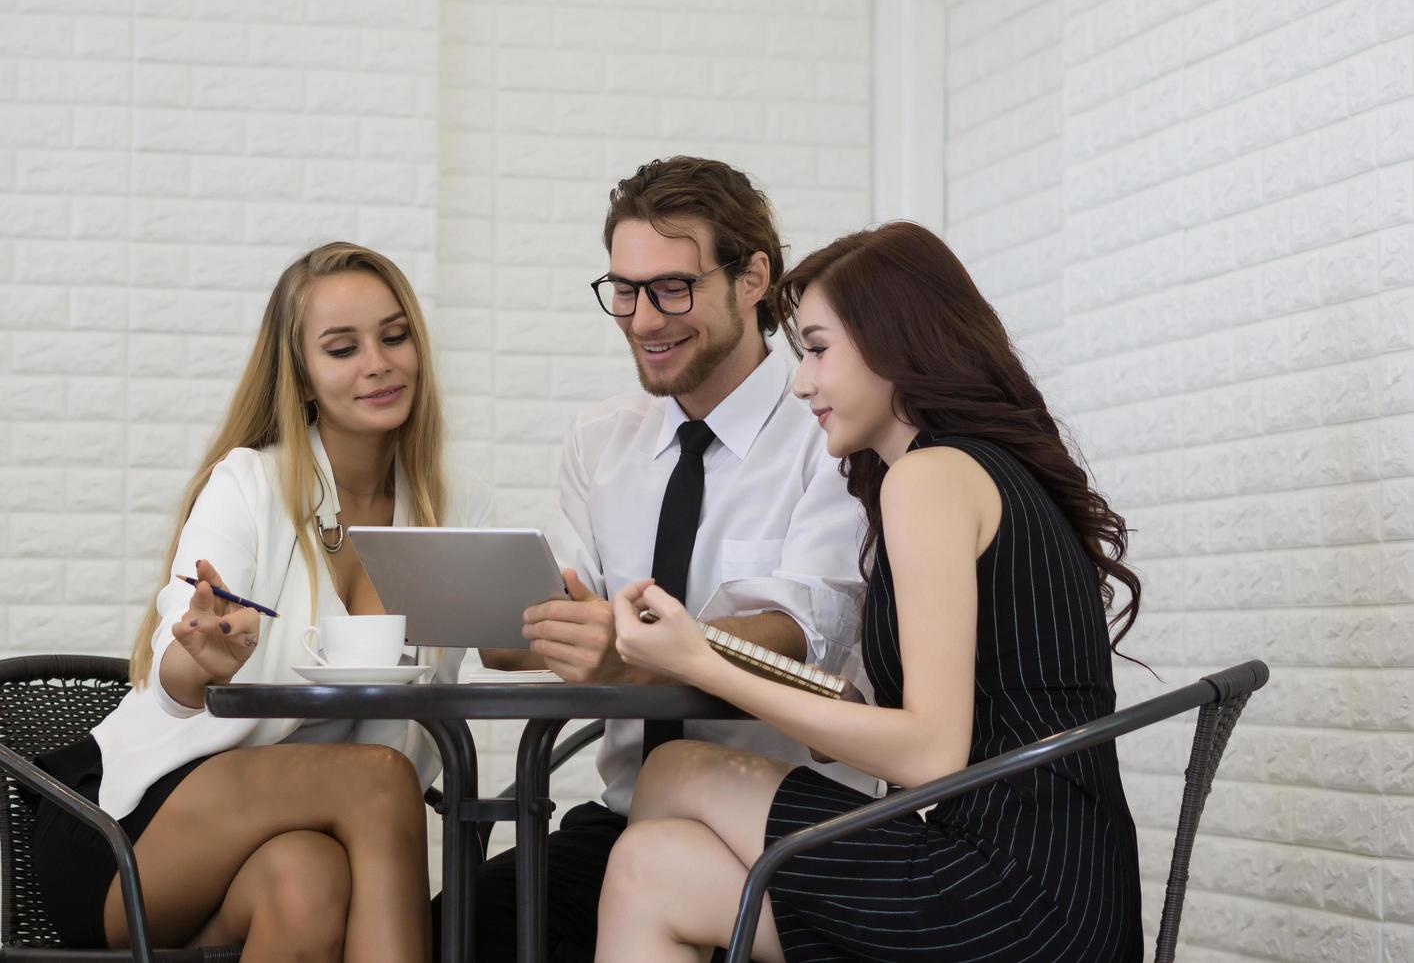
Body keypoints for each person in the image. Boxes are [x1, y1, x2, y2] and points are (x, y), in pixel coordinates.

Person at [597, 221, 1146, 962]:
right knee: (647, 870)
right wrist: (834, 709)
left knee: (675, 769)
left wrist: (701, 663)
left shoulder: (931, 477)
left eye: (818, 348)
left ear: (897, 344)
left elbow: (929, 752)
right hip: (1068, 890)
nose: (801, 382)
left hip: (1009, 897)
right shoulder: (975, 469)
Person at [25, 242, 491, 961]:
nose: (378, 363)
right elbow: (177, 681)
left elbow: (499, 642)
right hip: (134, 836)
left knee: (306, 882)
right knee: (376, 781)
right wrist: (200, 656)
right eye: (342, 349)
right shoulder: (247, 483)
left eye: (394, 337)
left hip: (288, 841)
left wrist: (557, 628)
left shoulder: (440, 513)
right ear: (301, 376)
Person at [473, 156, 876, 960]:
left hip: (786, 817)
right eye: (624, 290)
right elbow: (543, 621)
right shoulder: (601, 440)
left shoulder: (827, 432)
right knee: (466, 921)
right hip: (630, 808)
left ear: (752, 277)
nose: (644, 319)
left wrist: (622, 649)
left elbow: (804, 633)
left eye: (672, 288)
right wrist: (537, 625)